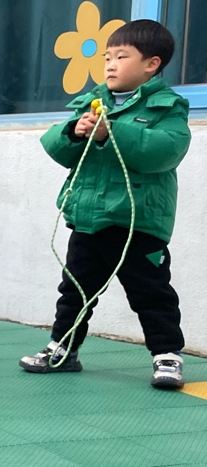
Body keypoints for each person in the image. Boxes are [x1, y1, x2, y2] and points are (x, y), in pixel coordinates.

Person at [20, 20, 191, 390]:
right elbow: (57, 148)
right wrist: (73, 132)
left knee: (151, 294)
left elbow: (164, 151)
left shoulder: (168, 107)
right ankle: (63, 349)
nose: (110, 65)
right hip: (88, 221)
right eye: (107, 57)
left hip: (138, 224)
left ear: (152, 64)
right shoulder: (91, 102)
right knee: (74, 292)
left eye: (121, 57)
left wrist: (112, 132)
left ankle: (167, 355)